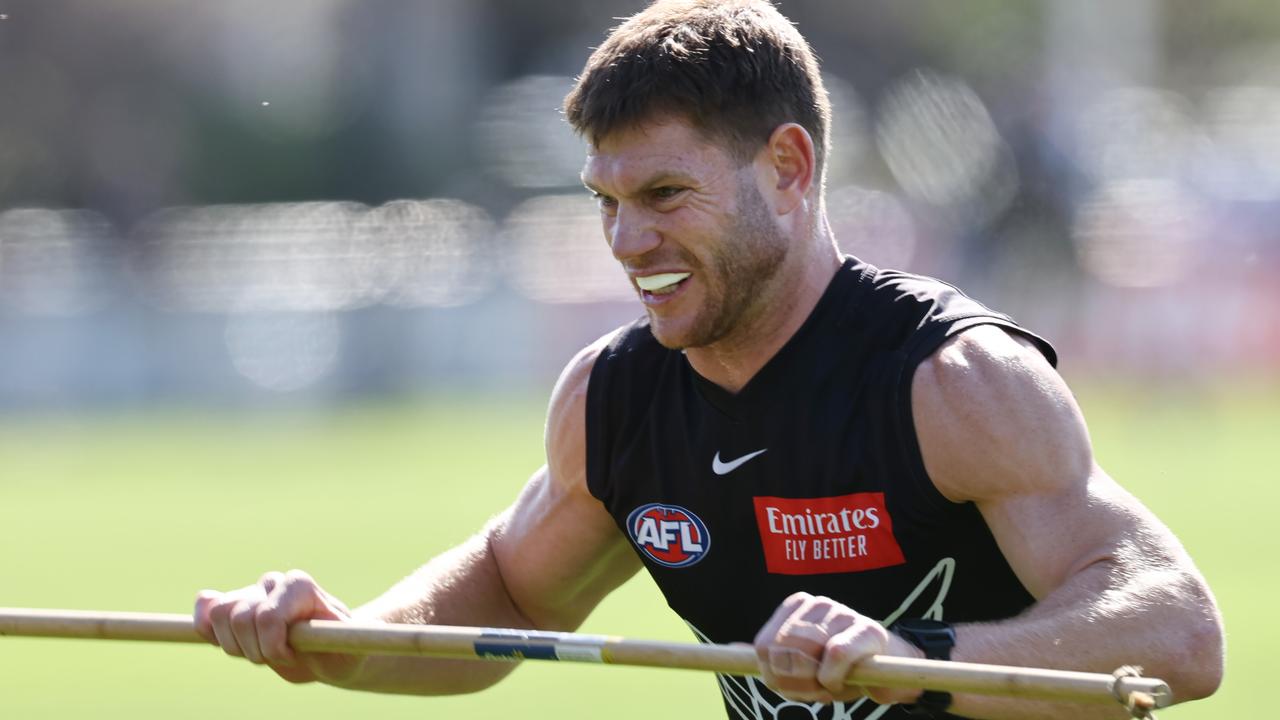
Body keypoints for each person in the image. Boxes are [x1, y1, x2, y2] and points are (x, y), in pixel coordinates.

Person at [194, 1, 1224, 718]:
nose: (624, 242)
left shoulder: (952, 382)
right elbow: (509, 597)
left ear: (786, 168)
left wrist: (913, 661)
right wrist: (329, 639)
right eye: (604, 200)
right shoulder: (615, 401)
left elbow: (1176, 634)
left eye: (663, 198)